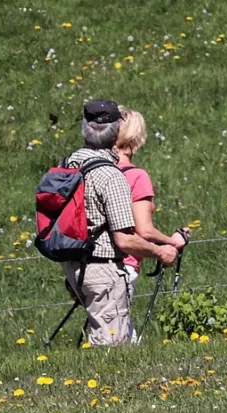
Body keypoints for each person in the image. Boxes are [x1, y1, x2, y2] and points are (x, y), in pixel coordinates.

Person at [62, 99, 178, 346]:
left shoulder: (70, 164)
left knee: (123, 340)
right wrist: (163, 250)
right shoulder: (113, 175)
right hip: (106, 266)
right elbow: (129, 236)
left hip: (74, 263)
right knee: (112, 349)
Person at [114, 106, 189, 336]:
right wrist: (173, 241)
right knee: (120, 339)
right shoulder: (136, 176)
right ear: (136, 139)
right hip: (122, 265)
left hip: (88, 266)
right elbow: (144, 231)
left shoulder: (94, 171)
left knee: (110, 333)